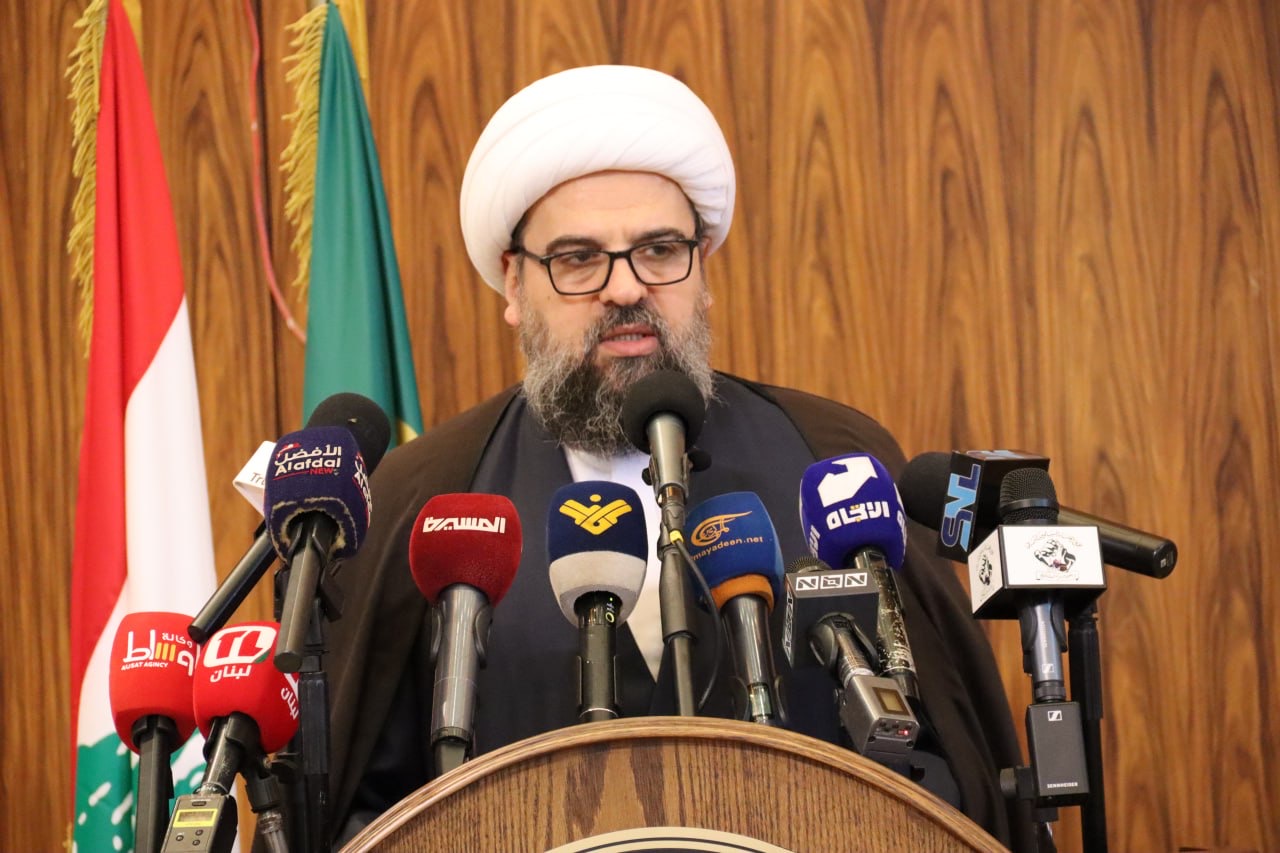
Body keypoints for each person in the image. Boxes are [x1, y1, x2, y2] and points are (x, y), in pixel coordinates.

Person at [322, 65, 1033, 850]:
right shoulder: (427, 494)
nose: (626, 289)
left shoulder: (832, 458)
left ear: (703, 266)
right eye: (578, 258)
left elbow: (943, 771)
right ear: (514, 284)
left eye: (660, 250)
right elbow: (365, 814)